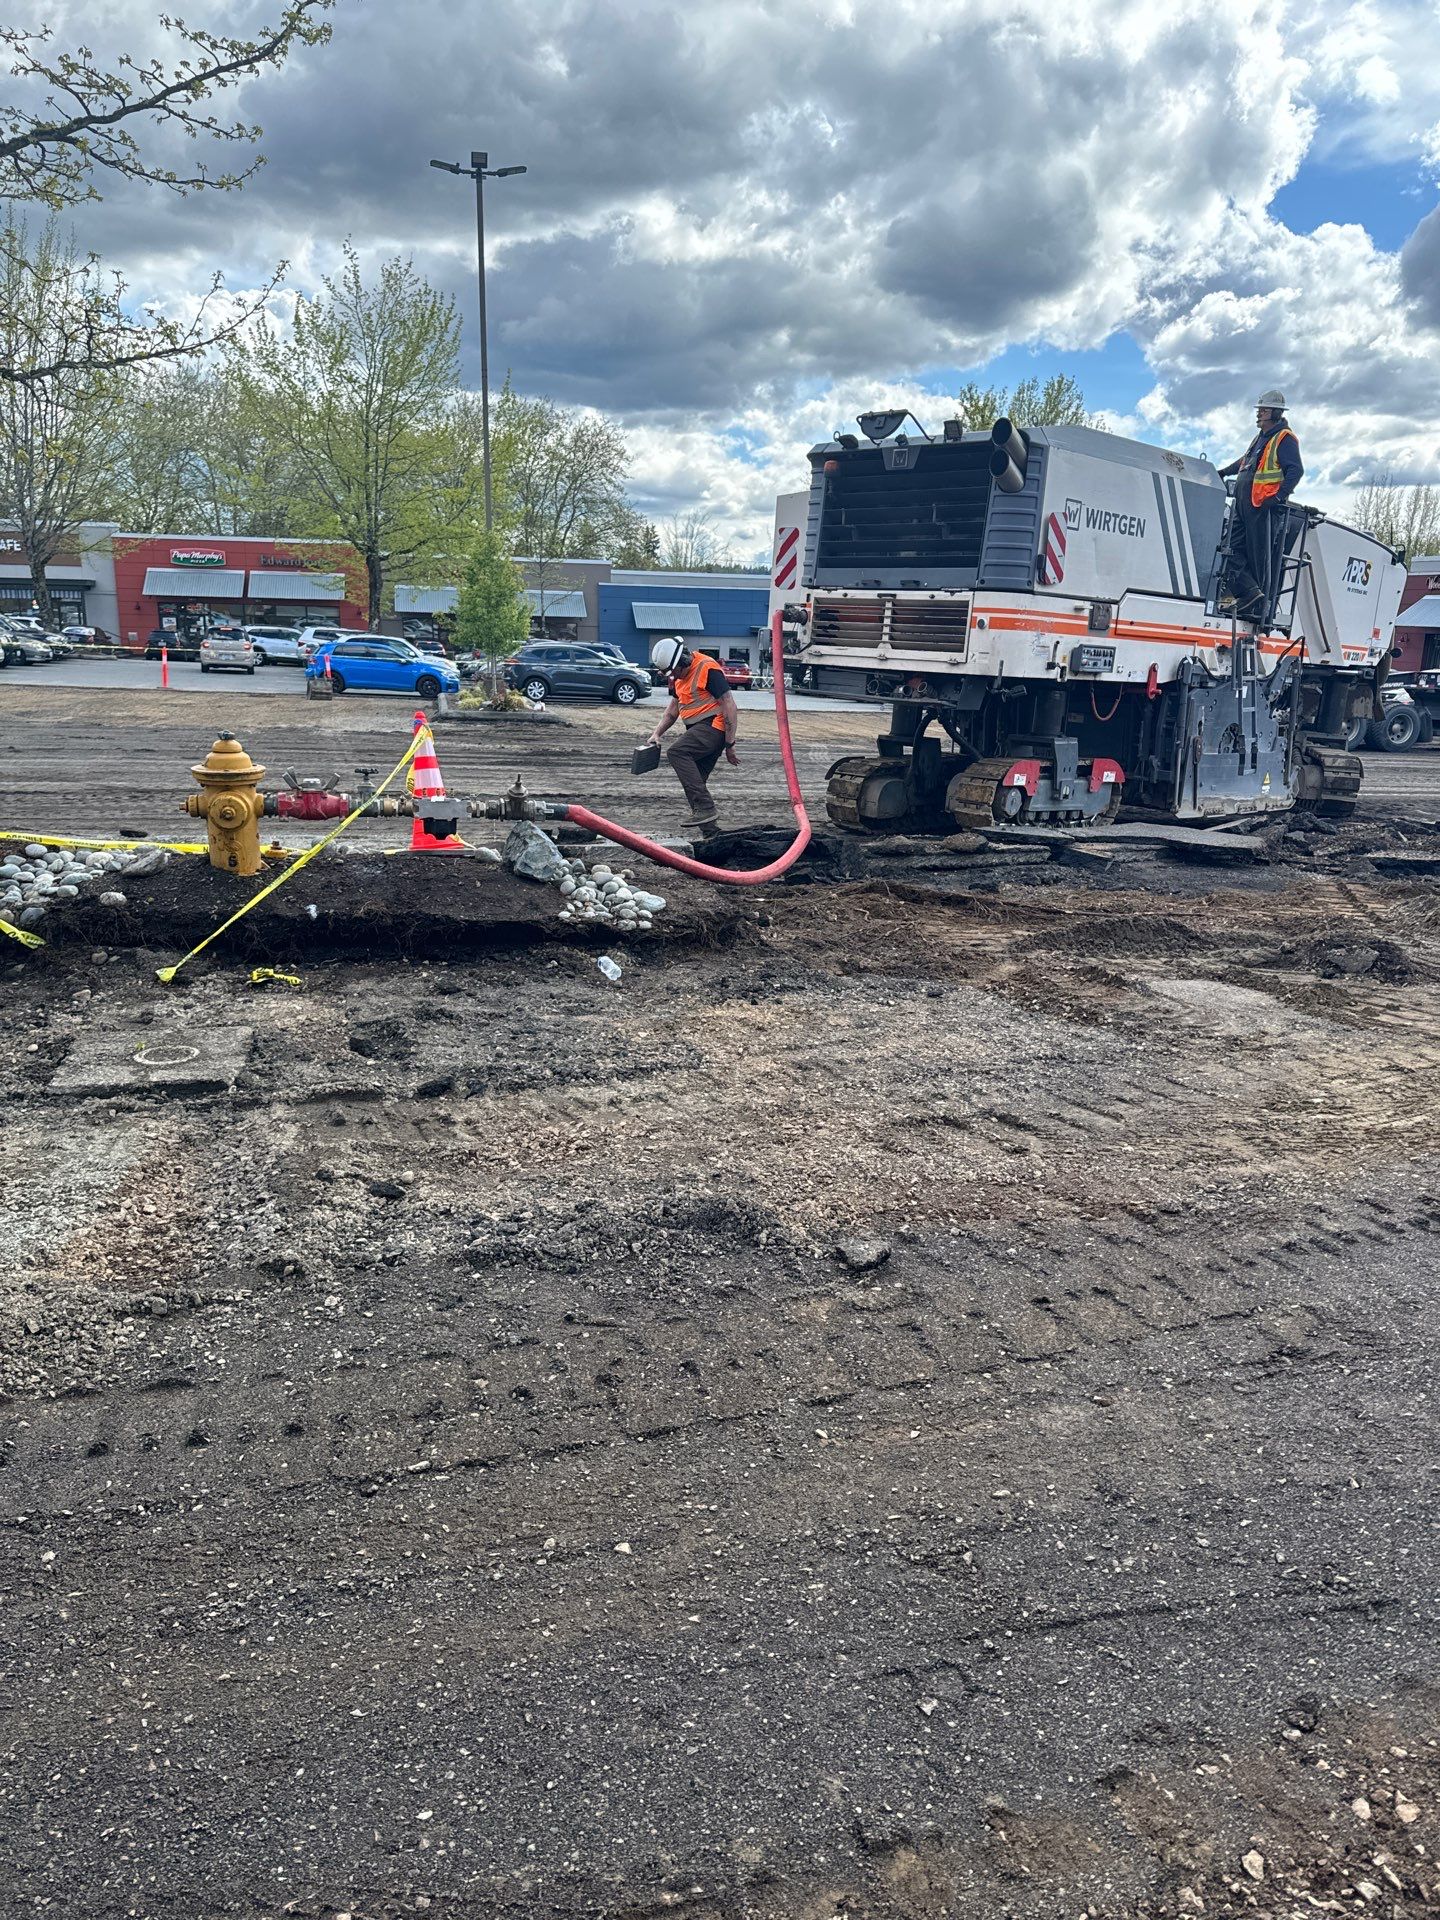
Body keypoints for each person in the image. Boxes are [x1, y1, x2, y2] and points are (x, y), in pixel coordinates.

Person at [1218, 389, 1303, 622]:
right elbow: (1245, 462)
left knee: (1258, 556)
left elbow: (1296, 470)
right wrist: (1225, 472)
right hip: (1244, 504)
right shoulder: (1260, 437)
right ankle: (1250, 594)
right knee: (1230, 547)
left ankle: (1258, 605)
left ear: (1276, 413)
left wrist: (1277, 498)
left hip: (1262, 506)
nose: (1259, 414)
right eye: (1259, 410)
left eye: (1264, 410)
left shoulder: (1284, 438)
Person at [644, 635, 739, 833]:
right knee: (694, 781)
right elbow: (672, 711)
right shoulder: (680, 678)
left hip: (713, 726)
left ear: (682, 662)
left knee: (677, 753)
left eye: (672, 672)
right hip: (699, 729)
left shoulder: (707, 668)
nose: (672, 676)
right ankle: (711, 832)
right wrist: (656, 734)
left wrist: (730, 743)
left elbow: (729, 703)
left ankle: (706, 808)